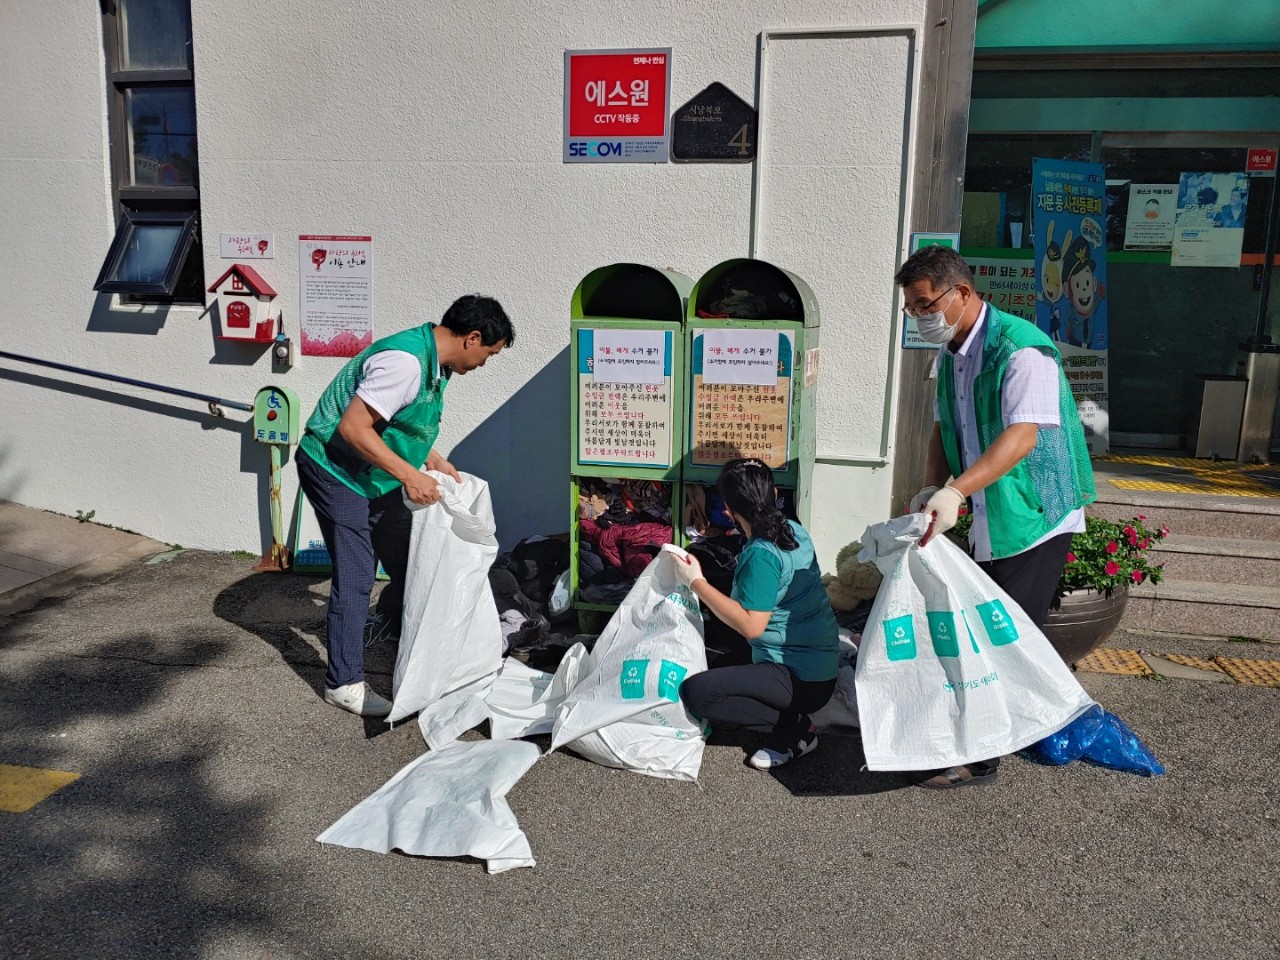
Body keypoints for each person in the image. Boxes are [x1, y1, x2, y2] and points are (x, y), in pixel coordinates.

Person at [897, 245, 1095, 788]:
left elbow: (1022, 435)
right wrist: (932, 487)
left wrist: (956, 492)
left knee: (998, 640)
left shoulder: (1021, 349)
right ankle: (968, 736)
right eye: (911, 309)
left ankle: (982, 756)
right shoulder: (953, 352)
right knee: (969, 633)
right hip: (984, 510)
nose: (919, 318)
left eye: (923, 305)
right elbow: (944, 426)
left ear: (960, 293)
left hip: (1031, 517)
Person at [295, 295, 515, 717]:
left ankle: (394, 623)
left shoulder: (436, 364)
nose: (485, 364)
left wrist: (430, 458)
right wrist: (410, 475)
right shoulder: (406, 363)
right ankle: (342, 682)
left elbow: (400, 420)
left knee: (405, 551)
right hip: (334, 468)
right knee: (357, 572)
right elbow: (354, 427)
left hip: (368, 471)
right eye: (490, 353)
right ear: (472, 338)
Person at [673, 458, 839, 770]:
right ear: (774, 493)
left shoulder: (761, 554)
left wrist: (695, 581)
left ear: (727, 510)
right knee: (716, 644)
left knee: (698, 693)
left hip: (800, 678)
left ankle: (795, 728)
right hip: (819, 661)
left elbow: (752, 626)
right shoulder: (795, 531)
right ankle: (787, 713)